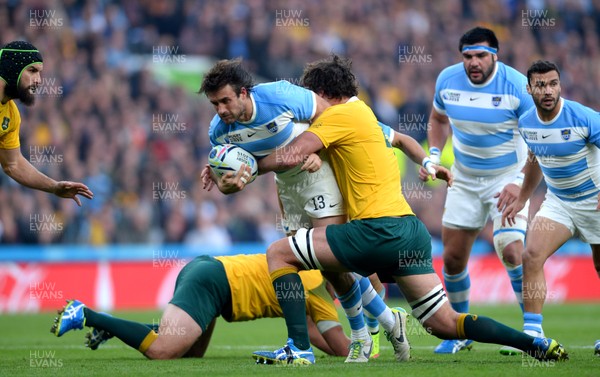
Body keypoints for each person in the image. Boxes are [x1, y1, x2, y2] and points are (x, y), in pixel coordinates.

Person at [253, 54, 567, 365]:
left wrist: (248, 167)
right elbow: (402, 139)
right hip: (408, 231)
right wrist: (429, 162)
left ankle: (301, 349)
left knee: (280, 254)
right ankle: (533, 343)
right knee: (444, 323)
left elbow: (292, 152)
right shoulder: (363, 116)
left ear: (322, 95)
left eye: (308, 99)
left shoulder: (334, 117)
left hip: (375, 230)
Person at [198, 58, 407, 362]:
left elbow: (330, 116)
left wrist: (318, 152)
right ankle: (387, 321)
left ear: (244, 93)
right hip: (286, 188)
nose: (220, 110)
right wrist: (219, 178)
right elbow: (230, 176)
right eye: (215, 103)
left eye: (226, 101)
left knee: (333, 256)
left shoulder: (281, 95)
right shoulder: (219, 131)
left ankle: (352, 339)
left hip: (316, 175)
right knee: (323, 265)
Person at [422, 27, 533, 354]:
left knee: (512, 250)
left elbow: (536, 138)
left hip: (508, 178)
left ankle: (530, 331)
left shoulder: (516, 86)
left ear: (495, 56)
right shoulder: (447, 80)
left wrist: (521, 182)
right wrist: (432, 156)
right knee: (453, 259)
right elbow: (438, 120)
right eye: (468, 56)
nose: (474, 62)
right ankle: (460, 333)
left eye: (481, 55)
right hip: (464, 179)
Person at [50, 254, 351, 359]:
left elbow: (313, 335)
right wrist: (375, 330)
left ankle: (111, 326)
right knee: (163, 351)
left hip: (214, 277)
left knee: (191, 352)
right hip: (214, 283)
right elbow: (342, 350)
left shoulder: (312, 277)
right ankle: (86, 314)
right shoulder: (318, 290)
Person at [501, 60, 600, 354]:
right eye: (541, 85)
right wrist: (522, 195)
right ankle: (532, 334)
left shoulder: (583, 117)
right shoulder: (527, 122)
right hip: (559, 202)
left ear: (560, 85)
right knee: (531, 254)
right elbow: (535, 158)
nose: (548, 90)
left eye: (553, 83)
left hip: (594, 201)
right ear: (529, 88)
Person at [0, 41, 93, 205]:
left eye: (40, 73)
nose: (39, 80)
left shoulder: (12, 114)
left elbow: (13, 164)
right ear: (12, 69)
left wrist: (54, 187)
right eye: (32, 71)